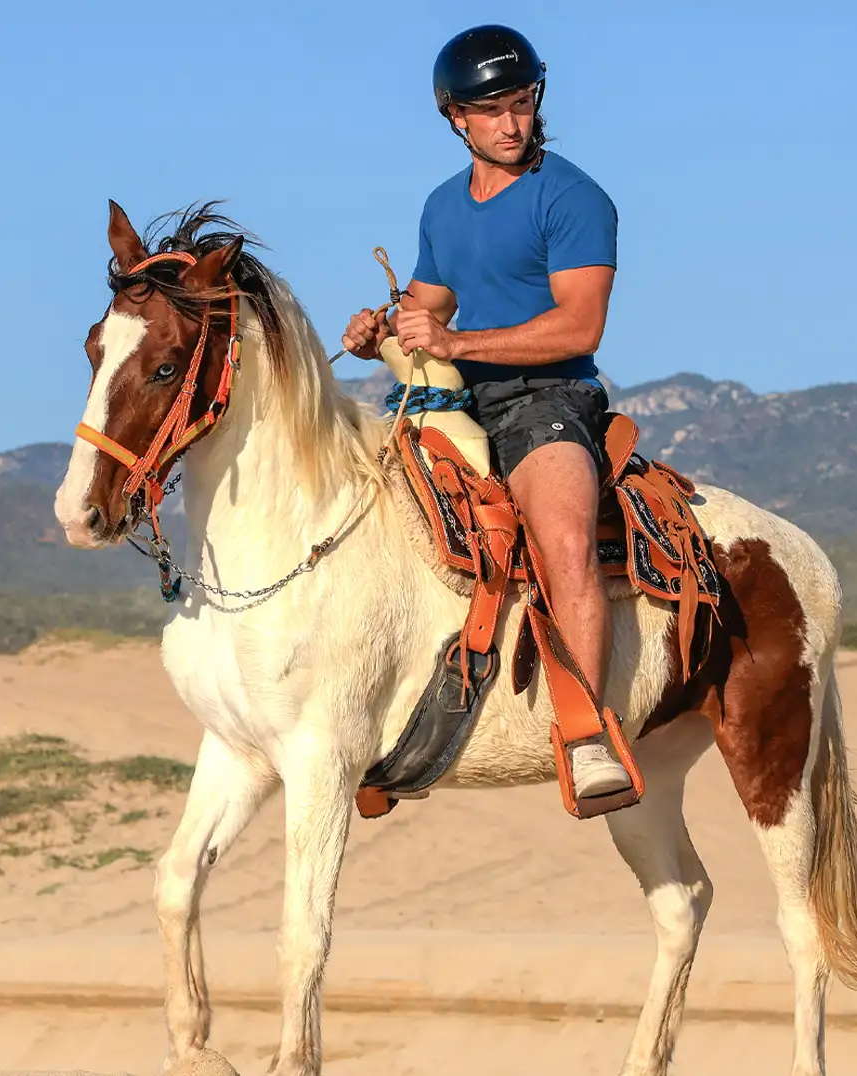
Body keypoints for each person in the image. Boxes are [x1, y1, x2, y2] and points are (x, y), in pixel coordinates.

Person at [340, 24, 633, 803]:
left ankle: (586, 731)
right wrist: (382, 326)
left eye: (522, 103)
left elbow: (580, 326)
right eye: (492, 109)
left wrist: (454, 337)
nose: (512, 123)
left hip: (550, 398)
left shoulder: (573, 198)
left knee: (565, 542)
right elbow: (427, 300)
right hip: (457, 400)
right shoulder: (442, 206)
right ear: (455, 118)